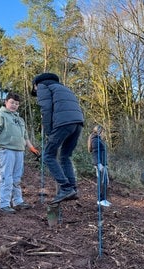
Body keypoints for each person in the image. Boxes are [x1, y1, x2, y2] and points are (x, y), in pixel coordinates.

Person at [31, 72, 84, 204]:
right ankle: (72, 188)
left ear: (36, 85)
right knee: (65, 156)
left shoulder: (43, 86)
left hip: (63, 123)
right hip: (77, 123)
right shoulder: (63, 88)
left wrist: (49, 131)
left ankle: (65, 188)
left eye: (34, 90)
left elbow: (46, 108)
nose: (36, 93)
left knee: (48, 155)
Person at [0, 92, 40, 213]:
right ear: (6, 102)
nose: (14, 105)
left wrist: (31, 148)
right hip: (5, 150)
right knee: (6, 177)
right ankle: (4, 204)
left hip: (19, 151)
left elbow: (25, 136)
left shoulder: (19, 119)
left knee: (16, 177)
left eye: (16, 103)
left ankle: (18, 201)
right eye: (12, 102)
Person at [87, 125, 111, 207]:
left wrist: (105, 164)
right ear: (99, 131)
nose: (104, 134)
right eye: (103, 132)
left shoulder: (99, 140)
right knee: (101, 182)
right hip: (100, 165)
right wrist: (98, 164)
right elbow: (95, 153)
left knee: (104, 182)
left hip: (103, 164)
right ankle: (99, 200)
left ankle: (104, 199)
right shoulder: (95, 140)